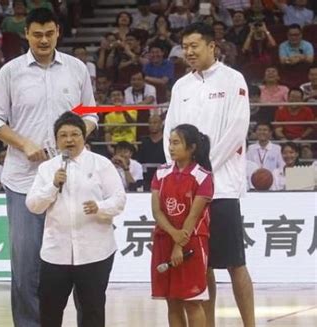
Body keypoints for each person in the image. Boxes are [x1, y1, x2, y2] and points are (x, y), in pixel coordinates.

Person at [0, 8, 97, 327]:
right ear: (26, 34)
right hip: (24, 182)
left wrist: (76, 136)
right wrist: (24, 144)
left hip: (71, 179)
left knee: (79, 261)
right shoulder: (10, 72)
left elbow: (91, 115)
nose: (43, 39)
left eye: (49, 33)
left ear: (58, 31)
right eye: (37, 34)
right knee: (26, 267)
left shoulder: (77, 69)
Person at [163, 22, 255, 327]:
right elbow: (170, 134)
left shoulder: (233, 80)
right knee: (200, 267)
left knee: (235, 264)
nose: (188, 52)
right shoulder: (181, 87)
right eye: (185, 47)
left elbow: (236, 131)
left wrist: (201, 172)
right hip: (188, 192)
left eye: (194, 46)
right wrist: (178, 177)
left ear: (211, 46)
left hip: (222, 188)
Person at [26, 112, 126, 327]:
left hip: (95, 251)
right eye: (63, 135)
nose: (69, 139)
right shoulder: (47, 169)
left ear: (84, 137)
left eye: (75, 134)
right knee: (50, 311)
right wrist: (53, 186)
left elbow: (119, 200)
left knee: (93, 311)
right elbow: (33, 205)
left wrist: (100, 207)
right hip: (56, 254)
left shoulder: (101, 164)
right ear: (56, 140)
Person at [151, 124, 213, 327]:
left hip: (192, 242)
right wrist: (173, 234)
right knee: (172, 302)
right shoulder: (160, 173)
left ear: (192, 147)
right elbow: (157, 211)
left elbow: (193, 216)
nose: (171, 147)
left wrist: (179, 244)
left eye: (176, 143)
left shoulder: (203, 176)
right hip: (164, 240)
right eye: (170, 142)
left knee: (192, 303)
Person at [137, 114, 166, 190]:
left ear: (161, 124)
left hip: (163, 175)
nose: (152, 125)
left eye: (155, 122)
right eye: (150, 123)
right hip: (146, 176)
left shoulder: (166, 141)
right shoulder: (143, 141)